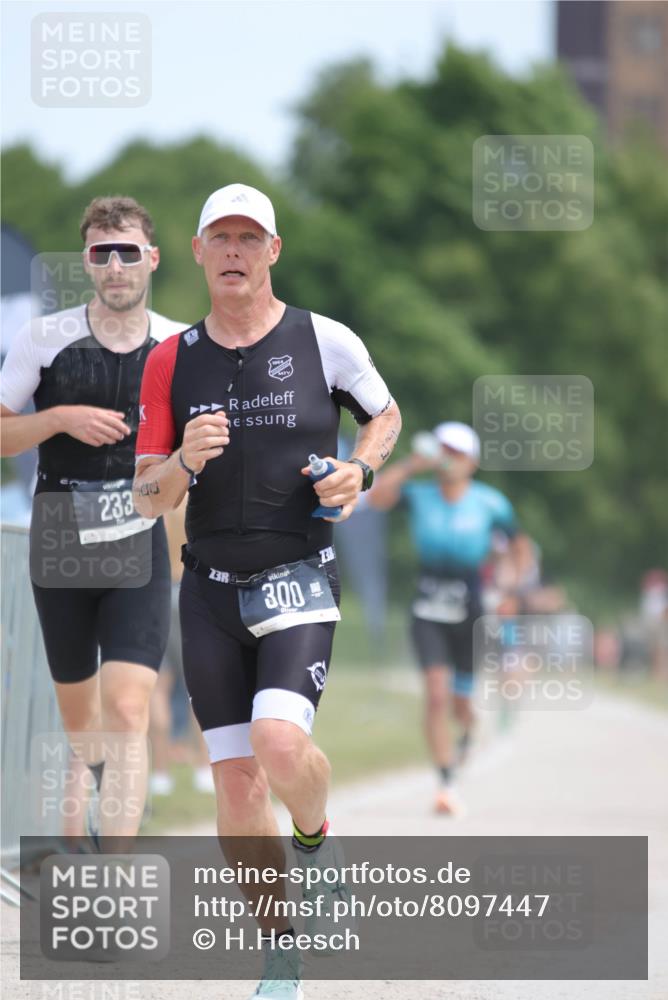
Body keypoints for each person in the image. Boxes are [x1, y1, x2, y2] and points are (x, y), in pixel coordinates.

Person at [133, 182, 401, 999]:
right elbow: (148, 494)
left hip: (298, 577)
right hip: (209, 590)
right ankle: (280, 950)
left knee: (280, 745)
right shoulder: (168, 360)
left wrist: (358, 469)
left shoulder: (325, 340)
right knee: (238, 782)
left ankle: (317, 842)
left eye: (252, 239)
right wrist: (184, 459)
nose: (236, 253)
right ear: (198, 252)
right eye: (222, 238)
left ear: (274, 252)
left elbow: (383, 418)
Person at [0, 196, 187, 842]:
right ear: (87, 261)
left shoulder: (178, 345)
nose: (115, 265)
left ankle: (116, 879)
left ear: (151, 259)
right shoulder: (44, 340)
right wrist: (57, 419)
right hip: (61, 540)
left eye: (127, 252)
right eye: (102, 253)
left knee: (130, 707)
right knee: (83, 723)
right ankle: (103, 791)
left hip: (137, 541)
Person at [368, 421, 532, 816]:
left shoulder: (490, 503)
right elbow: (376, 498)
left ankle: (471, 730)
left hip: (469, 610)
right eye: (443, 450)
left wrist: (511, 588)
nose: (448, 459)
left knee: (460, 701)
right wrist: (410, 465)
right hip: (427, 605)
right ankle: (445, 782)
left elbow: (520, 546)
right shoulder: (419, 494)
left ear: (472, 462)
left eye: (456, 453)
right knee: (436, 694)